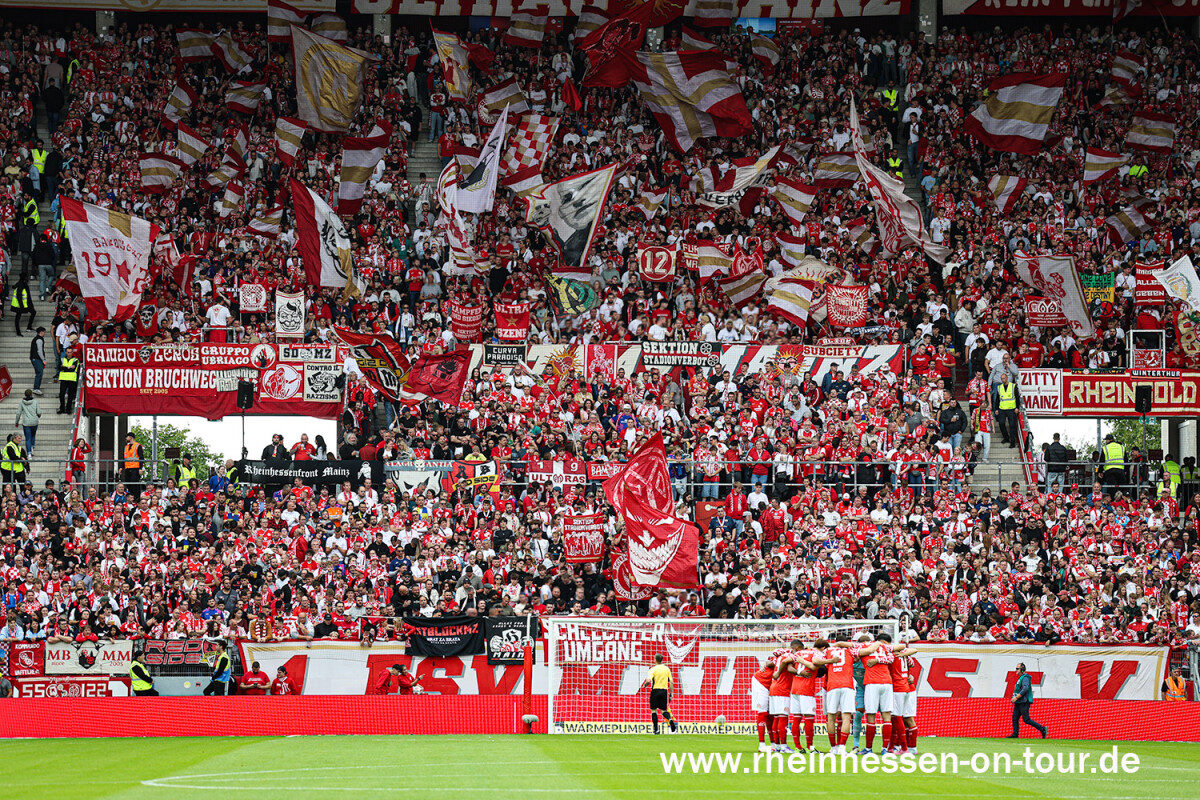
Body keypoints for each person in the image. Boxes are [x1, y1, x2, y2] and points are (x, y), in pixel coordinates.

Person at [1007, 662, 1047, 739]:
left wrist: (1016, 697)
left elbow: (1025, 688)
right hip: (1019, 702)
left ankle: (1042, 729)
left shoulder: (1025, 678)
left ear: (1022, 669)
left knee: (1026, 719)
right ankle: (1015, 734)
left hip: (1024, 701)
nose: (1016, 670)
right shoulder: (1021, 678)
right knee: (1015, 718)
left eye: (1017, 669)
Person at [640, 653, 677, 735]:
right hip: (664, 691)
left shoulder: (653, 669)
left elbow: (649, 680)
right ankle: (670, 719)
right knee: (663, 710)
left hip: (655, 691)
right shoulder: (667, 669)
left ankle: (656, 730)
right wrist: (671, 694)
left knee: (654, 711)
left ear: (655, 660)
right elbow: (671, 682)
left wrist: (645, 685)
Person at [993, 372, 1019, 447]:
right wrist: (996, 409)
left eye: (1004, 378)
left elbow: (1017, 397)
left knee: (1012, 425)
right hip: (1002, 408)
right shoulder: (999, 387)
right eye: (1001, 379)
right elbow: (997, 399)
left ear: (1007, 378)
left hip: (1011, 408)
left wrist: (1017, 407)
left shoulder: (1013, 386)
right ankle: (1006, 438)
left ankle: (1012, 442)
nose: (1002, 380)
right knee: (1001, 423)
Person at [14, 389, 41, 456]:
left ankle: (29, 454)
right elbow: (39, 412)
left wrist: (16, 422)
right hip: (34, 422)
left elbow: (18, 413)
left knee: (28, 438)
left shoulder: (22, 402)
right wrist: (38, 416)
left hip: (26, 423)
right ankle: (32, 448)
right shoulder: (35, 402)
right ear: (31, 394)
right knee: (33, 435)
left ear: (25, 395)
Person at [57, 347, 78, 415]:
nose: (69, 354)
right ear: (66, 352)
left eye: (70, 352)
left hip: (71, 379)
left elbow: (72, 369)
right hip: (63, 379)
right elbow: (59, 367)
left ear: (72, 352)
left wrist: (64, 368)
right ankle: (62, 408)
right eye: (68, 352)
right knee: (61, 394)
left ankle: (68, 409)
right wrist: (68, 367)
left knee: (70, 395)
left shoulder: (75, 359)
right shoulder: (62, 359)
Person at [29, 327, 45, 395]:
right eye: (44, 332)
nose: (44, 333)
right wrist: (43, 359)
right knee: (39, 373)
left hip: (34, 358)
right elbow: (39, 351)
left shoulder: (36, 338)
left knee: (38, 373)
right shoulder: (39, 339)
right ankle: (36, 388)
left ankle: (36, 388)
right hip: (37, 359)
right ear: (41, 332)